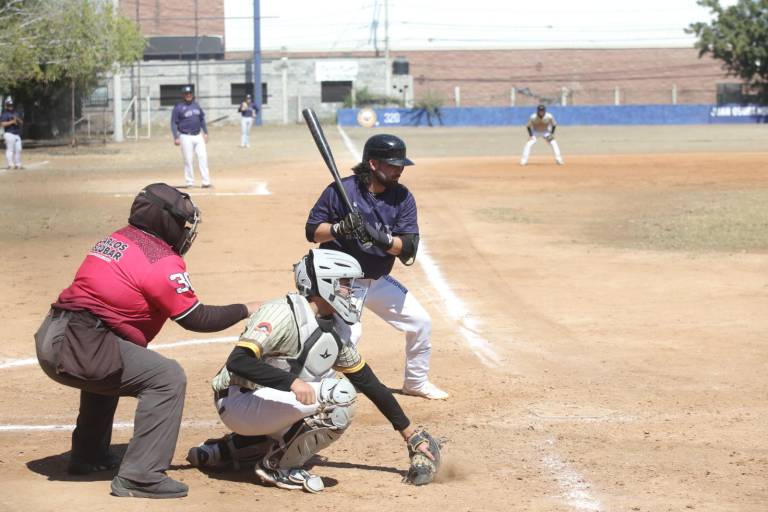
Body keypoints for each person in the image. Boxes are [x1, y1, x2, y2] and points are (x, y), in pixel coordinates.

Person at [34, 183, 259, 499]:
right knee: (167, 378)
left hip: (56, 335)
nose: (185, 230)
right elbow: (196, 318)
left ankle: (89, 454)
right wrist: (245, 309)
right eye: (181, 222)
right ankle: (140, 476)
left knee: (113, 358)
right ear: (164, 220)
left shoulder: (118, 238)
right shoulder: (160, 260)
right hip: (78, 345)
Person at [186, 248, 441, 492]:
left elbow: (368, 382)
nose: (350, 291)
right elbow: (238, 361)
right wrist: (292, 383)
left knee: (315, 406)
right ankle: (276, 467)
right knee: (338, 397)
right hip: (237, 400)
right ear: (325, 283)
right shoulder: (283, 312)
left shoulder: (333, 329)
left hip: (264, 404)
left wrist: (411, 435)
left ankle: (226, 450)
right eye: (344, 283)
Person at [304, 134, 448, 400]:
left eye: (401, 165)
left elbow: (407, 247)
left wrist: (379, 238)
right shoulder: (341, 191)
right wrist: (340, 229)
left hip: (376, 278)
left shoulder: (402, 196)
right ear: (373, 163)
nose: (399, 170)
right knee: (349, 334)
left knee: (420, 322)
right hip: (342, 279)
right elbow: (313, 231)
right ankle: (317, 389)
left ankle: (415, 383)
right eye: (392, 165)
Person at [171, 85, 212, 188]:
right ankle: (190, 182)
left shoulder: (196, 105)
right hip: (185, 136)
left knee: (203, 157)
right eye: (186, 94)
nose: (188, 95)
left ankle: (206, 182)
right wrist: (176, 137)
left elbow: (202, 120)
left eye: (190, 93)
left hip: (198, 135)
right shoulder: (178, 107)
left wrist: (205, 132)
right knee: (188, 159)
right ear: (183, 95)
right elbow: (173, 123)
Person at [1, 96, 23, 169]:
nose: (11, 106)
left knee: (18, 149)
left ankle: (18, 164)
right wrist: (12, 122)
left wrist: (17, 119)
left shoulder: (16, 113)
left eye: (11, 105)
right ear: (6, 105)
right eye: (9, 105)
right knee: (10, 149)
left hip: (16, 134)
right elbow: (2, 124)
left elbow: (21, 122)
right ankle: (10, 164)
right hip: (9, 133)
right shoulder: (5, 114)